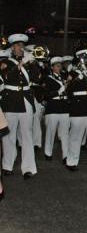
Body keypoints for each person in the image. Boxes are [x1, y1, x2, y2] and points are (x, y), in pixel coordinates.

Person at [0, 34, 37, 180]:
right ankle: (7, 165)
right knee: (9, 135)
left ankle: (28, 168)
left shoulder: (29, 62)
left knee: (27, 134)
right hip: (11, 100)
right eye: (18, 45)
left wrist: (33, 63)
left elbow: (36, 79)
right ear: (12, 47)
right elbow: (7, 77)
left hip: (26, 100)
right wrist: (20, 64)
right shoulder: (5, 62)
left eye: (22, 45)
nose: (21, 48)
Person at [43, 56, 70, 163]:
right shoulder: (48, 78)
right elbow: (46, 95)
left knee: (65, 133)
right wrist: (59, 91)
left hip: (64, 107)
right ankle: (48, 152)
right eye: (57, 66)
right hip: (53, 107)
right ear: (52, 67)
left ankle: (66, 155)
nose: (60, 67)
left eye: (60, 65)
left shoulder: (65, 77)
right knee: (50, 132)